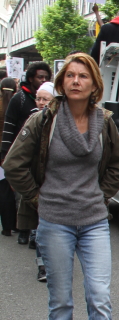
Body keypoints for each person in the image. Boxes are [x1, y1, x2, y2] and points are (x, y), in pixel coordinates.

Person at [3, 53, 119, 320]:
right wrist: (37, 200)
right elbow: (14, 164)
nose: (75, 81)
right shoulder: (45, 120)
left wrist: (101, 196)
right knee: (61, 301)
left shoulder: (104, 121)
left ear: (94, 85)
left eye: (82, 76)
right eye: (70, 75)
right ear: (61, 83)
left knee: (100, 298)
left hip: (93, 223)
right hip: (54, 221)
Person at [1, 62, 52, 244]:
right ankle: (23, 229)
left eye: (46, 77)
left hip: (41, 157)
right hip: (21, 153)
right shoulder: (20, 99)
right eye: (40, 77)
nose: (43, 80)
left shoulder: (52, 102)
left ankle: (33, 232)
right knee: (22, 194)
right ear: (31, 78)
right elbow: (8, 128)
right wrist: (5, 155)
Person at [24, 81, 56, 280]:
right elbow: (17, 159)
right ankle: (42, 266)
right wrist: (30, 191)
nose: (41, 102)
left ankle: (55, 263)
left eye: (46, 99)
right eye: (38, 98)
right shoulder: (33, 119)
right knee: (39, 229)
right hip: (37, 183)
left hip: (56, 186)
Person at [0, 77, 18, 235]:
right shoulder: (17, 105)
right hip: (15, 152)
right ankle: (18, 224)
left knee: (4, 189)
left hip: (1, 152)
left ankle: (6, 227)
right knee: (17, 188)